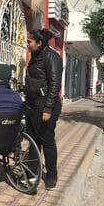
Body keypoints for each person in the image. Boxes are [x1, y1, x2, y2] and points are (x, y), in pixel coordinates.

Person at [24, 28, 63, 191]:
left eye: (29, 42)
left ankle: (52, 175)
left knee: (47, 141)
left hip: (46, 107)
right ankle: (32, 172)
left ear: (39, 42)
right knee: (33, 142)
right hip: (32, 105)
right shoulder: (36, 56)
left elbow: (55, 84)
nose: (27, 45)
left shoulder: (51, 57)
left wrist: (48, 108)